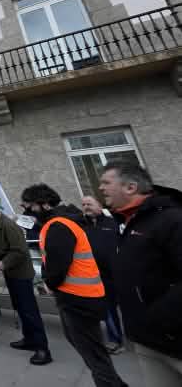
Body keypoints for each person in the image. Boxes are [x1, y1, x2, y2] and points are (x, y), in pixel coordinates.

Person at [22, 183, 126, 387]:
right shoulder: (66, 221)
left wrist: (48, 283)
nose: (28, 211)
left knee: (94, 354)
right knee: (93, 351)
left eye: (30, 206)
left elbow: (57, 265)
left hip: (77, 299)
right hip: (82, 296)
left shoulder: (58, 226)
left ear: (44, 205)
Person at [100, 163, 182, 386]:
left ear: (131, 187)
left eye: (106, 182)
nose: (101, 188)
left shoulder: (171, 219)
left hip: (173, 339)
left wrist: (156, 317)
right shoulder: (125, 221)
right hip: (146, 340)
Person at [0, 204, 52, 365]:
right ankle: (29, 339)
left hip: (21, 274)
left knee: (29, 311)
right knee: (20, 308)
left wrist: (4, 263)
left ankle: (43, 349)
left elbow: (19, 250)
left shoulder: (9, 226)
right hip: (12, 274)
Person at [81, 195, 123, 354]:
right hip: (99, 275)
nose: (86, 206)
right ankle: (115, 340)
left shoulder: (113, 222)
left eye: (89, 203)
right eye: (83, 204)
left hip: (120, 273)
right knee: (109, 310)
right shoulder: (83, 226)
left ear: (99, 205)